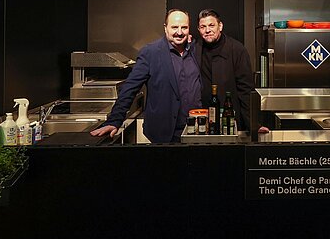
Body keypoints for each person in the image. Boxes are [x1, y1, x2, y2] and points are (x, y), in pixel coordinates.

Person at [91, 9, 201, 143]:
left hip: (195, 131)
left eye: (184, 27)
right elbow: (130, 88)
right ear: (165, 28)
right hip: (163, 133)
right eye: (174, 27)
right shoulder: (150, 53)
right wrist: (114, 120)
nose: (179, 32)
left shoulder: (197, 50)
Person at [195, 9, 254, 131]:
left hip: (229, 118)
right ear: (199, 30)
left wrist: (253, 124)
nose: (207, 30)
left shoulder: (237, 50)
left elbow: (246, 90)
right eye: (203, 27)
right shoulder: (195, 49)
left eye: (211, 25)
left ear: (220, 26)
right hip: (203, 119)